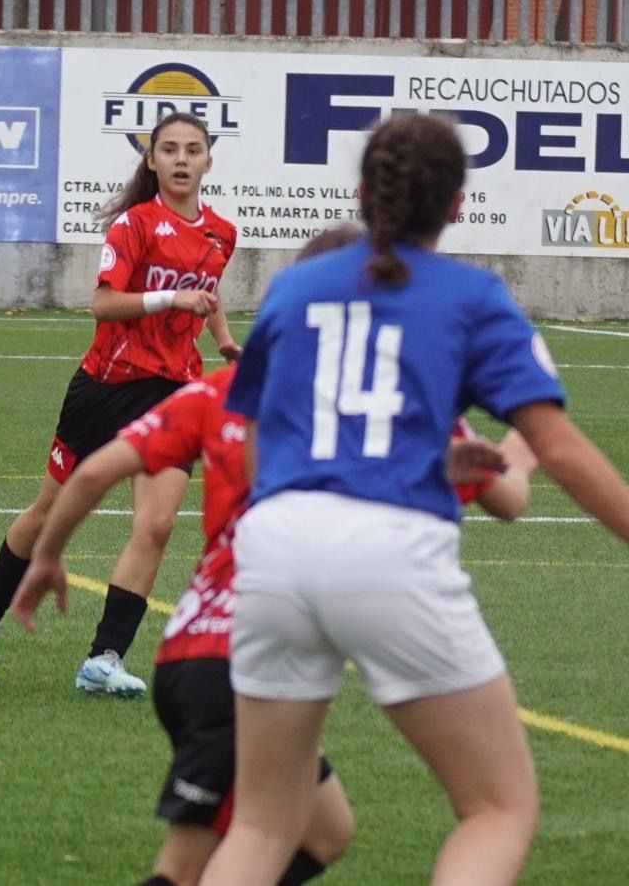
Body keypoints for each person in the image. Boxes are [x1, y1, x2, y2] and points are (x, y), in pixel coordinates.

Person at [9, 224, 539, 886]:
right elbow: (509, 496)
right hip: (245, 653)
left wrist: (50, 553)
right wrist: (533, 423)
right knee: (207, 856)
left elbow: (91, 474)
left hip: (198, 648)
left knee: (325, 829)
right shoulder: (394, 401)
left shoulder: (223, 389)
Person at [201, 114, 629, 886]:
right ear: (459, 204)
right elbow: (555, 446)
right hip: (387, 550)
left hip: (273, 544)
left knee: (264, 823)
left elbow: (265, 440)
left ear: (361, 194)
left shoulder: (294, 285)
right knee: (499, 808)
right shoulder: (473, 295)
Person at [0, 112, 240, 696]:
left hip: (175, 391)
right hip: (107, 388)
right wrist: (170, 298)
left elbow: (206, 295)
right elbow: (103, 305)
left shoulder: (222, 232)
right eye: (170, 150)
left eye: (193, 149)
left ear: (209, 160)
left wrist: (225, 341)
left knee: (158, 523)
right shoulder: (133, 226)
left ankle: (103, 659)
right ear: (152, 160)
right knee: (46, 515)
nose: (182, 159)